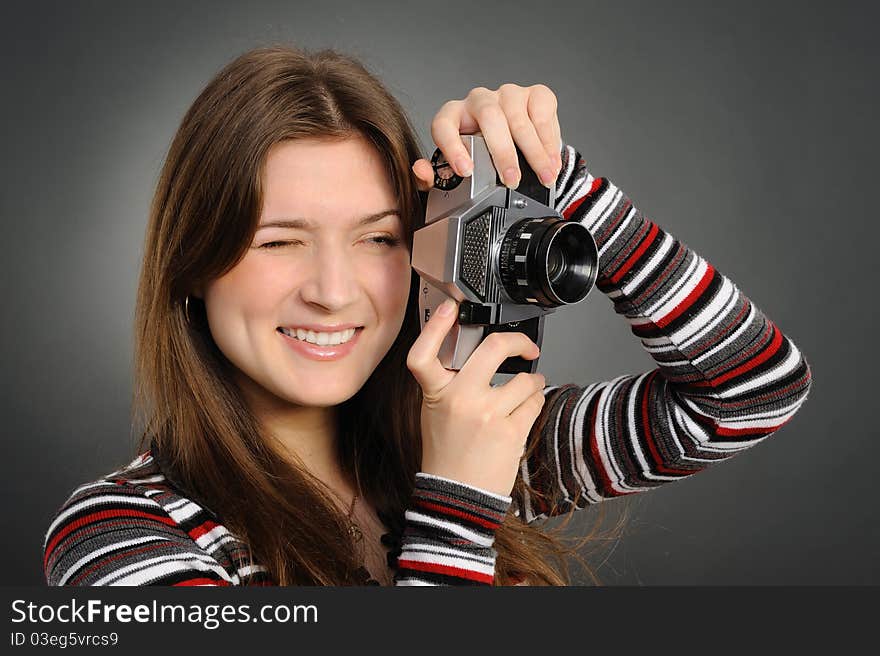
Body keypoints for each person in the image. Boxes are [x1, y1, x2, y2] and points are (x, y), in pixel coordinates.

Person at [42, 45, 813, 587]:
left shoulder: (464, 443)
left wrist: (554, 181)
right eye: (280, 241)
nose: (335, 291)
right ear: (193, 264)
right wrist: (460, 503)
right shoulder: (121, 537)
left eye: (378, 238)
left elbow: (752, 390)